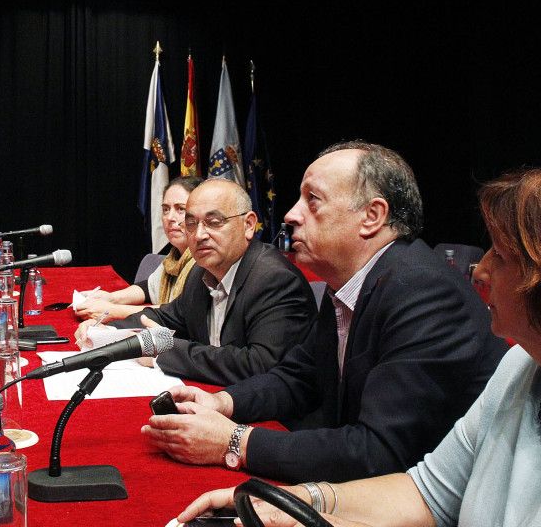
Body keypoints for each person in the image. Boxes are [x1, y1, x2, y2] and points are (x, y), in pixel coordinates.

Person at [175, 162, 541, 527]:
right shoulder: (524, 367)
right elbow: (426, 494)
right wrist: (286, 507)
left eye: (501, 255)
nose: (478, 272)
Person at [143, 142, 506, 483]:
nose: (291, 215)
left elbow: (379, 452)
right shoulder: (355, 283)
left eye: (312, 200)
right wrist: (222, 401)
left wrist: (234, 442)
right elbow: (299, 376)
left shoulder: (420, 290)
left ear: (372, 216)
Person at [76, 178, 317, 386]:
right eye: (191, 223)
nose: (199, 235)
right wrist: (107, 331)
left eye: (214, 222)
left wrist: (163, 352)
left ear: (249, 224)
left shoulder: (274, 279)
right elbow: (166, 316)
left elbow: (259, 365)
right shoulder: (200, 274)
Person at [74, 175, 202, 321]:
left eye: (180, 209)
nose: (170, 217)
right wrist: (110, 298)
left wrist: (113, 311)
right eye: (166, 209)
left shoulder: (203, 262)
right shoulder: (173, 257)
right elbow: (149, 287)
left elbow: (177, 312)